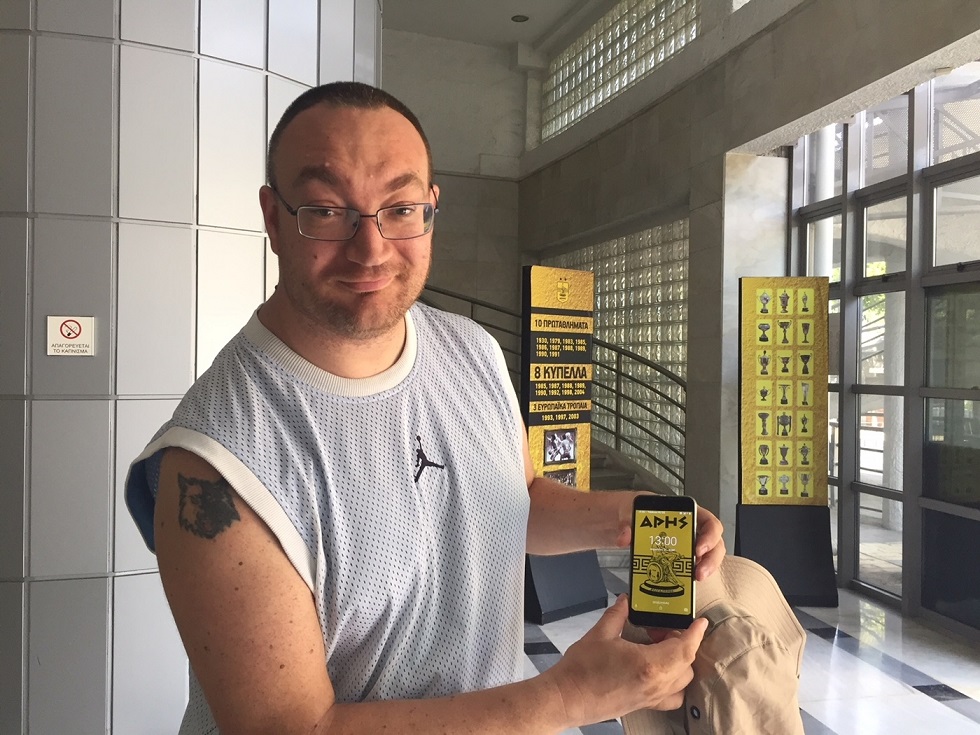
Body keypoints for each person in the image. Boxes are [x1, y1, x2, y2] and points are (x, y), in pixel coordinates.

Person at [126, 81, 726, 734]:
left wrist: (629, 519)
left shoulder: (471, 350)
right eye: (327, 210)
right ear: (274, 218)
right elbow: (291, 728)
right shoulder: (216, 462)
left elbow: (513, 499)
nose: (371, 247)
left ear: (431, 209)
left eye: (401, 207)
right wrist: (566, 699)